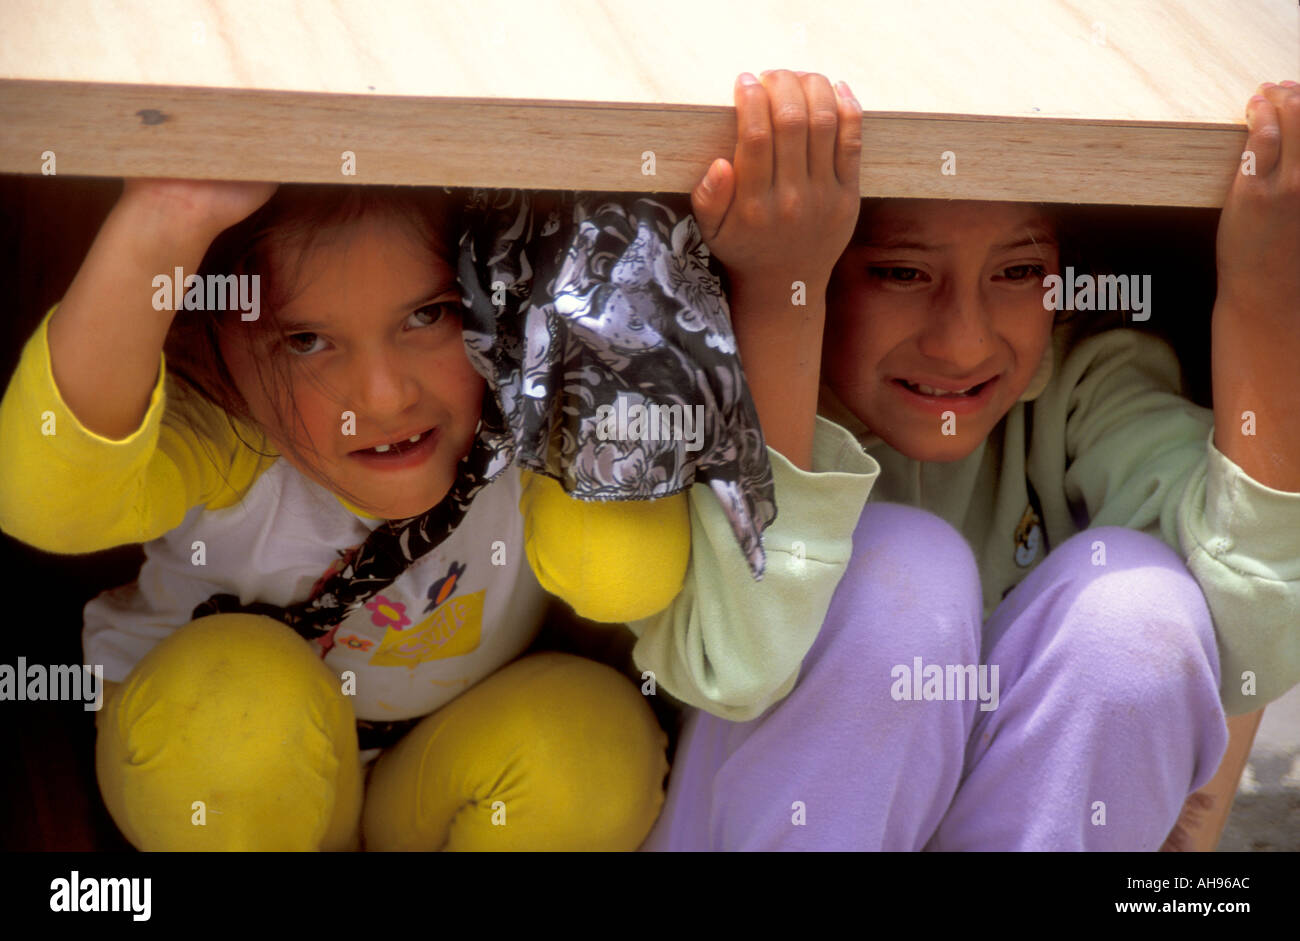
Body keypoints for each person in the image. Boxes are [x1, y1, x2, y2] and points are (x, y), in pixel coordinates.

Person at [0, 178, 871, 850]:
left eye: (429, 315)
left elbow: (623, 571)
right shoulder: (236, 431)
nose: (381, 396)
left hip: (440, 760)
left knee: (594, 743)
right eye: (307, 339)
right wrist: (165, 219)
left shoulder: (518, 412)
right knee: (233, 714)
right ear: (223, 344)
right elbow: (46, 499)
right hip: (234, 789)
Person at [638, 72, 1300, 850]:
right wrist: (778, 298)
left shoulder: (1079, 380)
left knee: (1142, 608)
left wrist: (1267, 298)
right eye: (901, 271)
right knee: (905, 579)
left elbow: (1245, 644)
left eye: (1018, 272)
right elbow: (740, 665)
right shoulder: (712, 386)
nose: (964, 342)